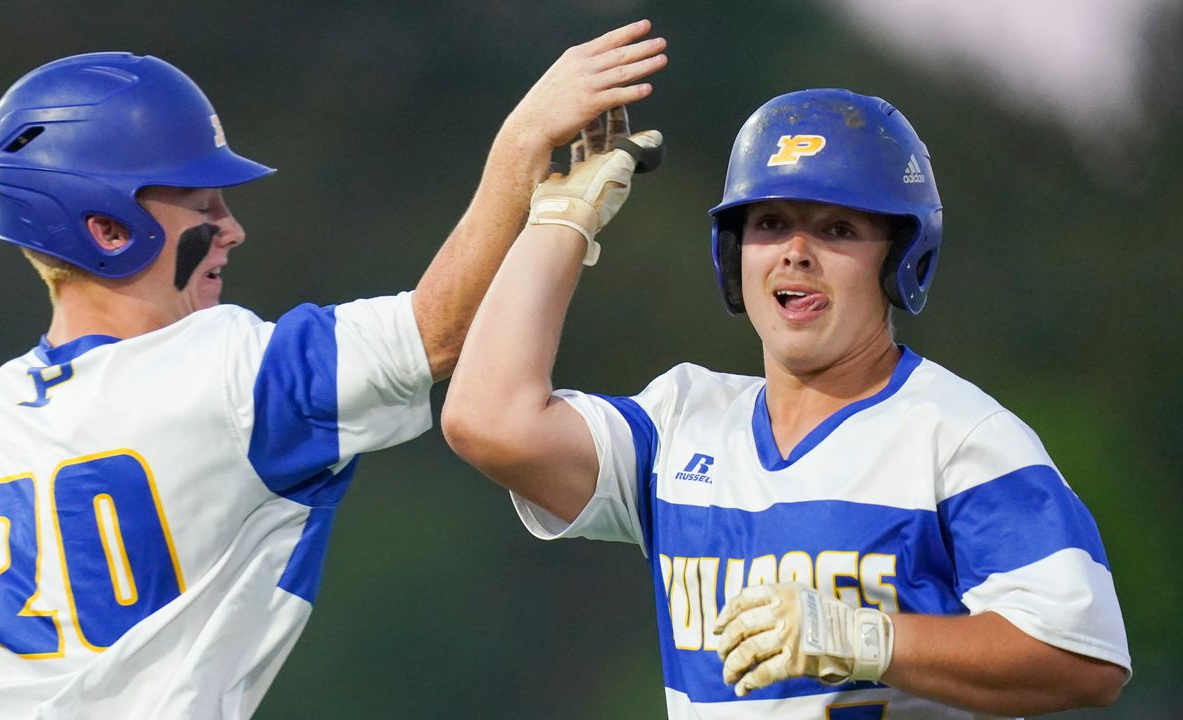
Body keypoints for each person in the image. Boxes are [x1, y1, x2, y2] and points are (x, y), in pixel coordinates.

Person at [0, 21, 667, 718]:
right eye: (203, 207)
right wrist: (522, 146)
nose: (231, 230)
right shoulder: (224, 373)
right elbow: (435, 333)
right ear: (110, 229)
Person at [442, 88, 1131, 718]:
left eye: (836, 230)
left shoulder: (958, 436)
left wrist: (867, 638)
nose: (796, 252)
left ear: (901, 259)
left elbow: (1083, 659)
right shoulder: (682, 421)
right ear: (733, 253)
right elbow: (487, 420)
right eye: (770, 223)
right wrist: (562, 222)